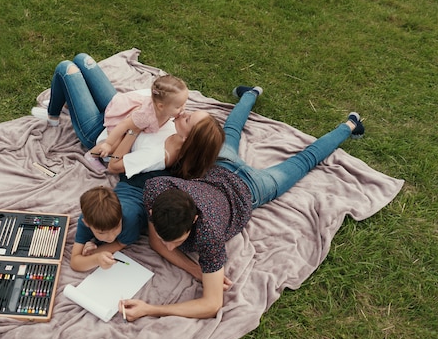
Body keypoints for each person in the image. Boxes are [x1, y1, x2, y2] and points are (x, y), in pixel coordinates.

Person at [120, 85, 366, 320]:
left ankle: (349, 124)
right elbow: (157, 242)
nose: (169, 248)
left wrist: (150, 309)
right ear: (152, 208)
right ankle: (250, 94)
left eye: (177, 241)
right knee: (233, 131)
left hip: (251, 188)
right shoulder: (158, 188)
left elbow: (212, 304)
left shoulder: (209, 234)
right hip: (218, 168)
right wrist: (196, 270)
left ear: (195, 219)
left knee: (304, 161)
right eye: (168, 239)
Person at [32, 53, 222, 178]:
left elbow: (114, 167)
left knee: (66, 69)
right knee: (83, 60)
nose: (185, 112)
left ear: (188, 137)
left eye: (188, 118)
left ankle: (54, 115)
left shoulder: (158, 155)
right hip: (118, 110)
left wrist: (134, 129)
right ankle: (69, 103)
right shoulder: (177, 123)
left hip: (99, 132)